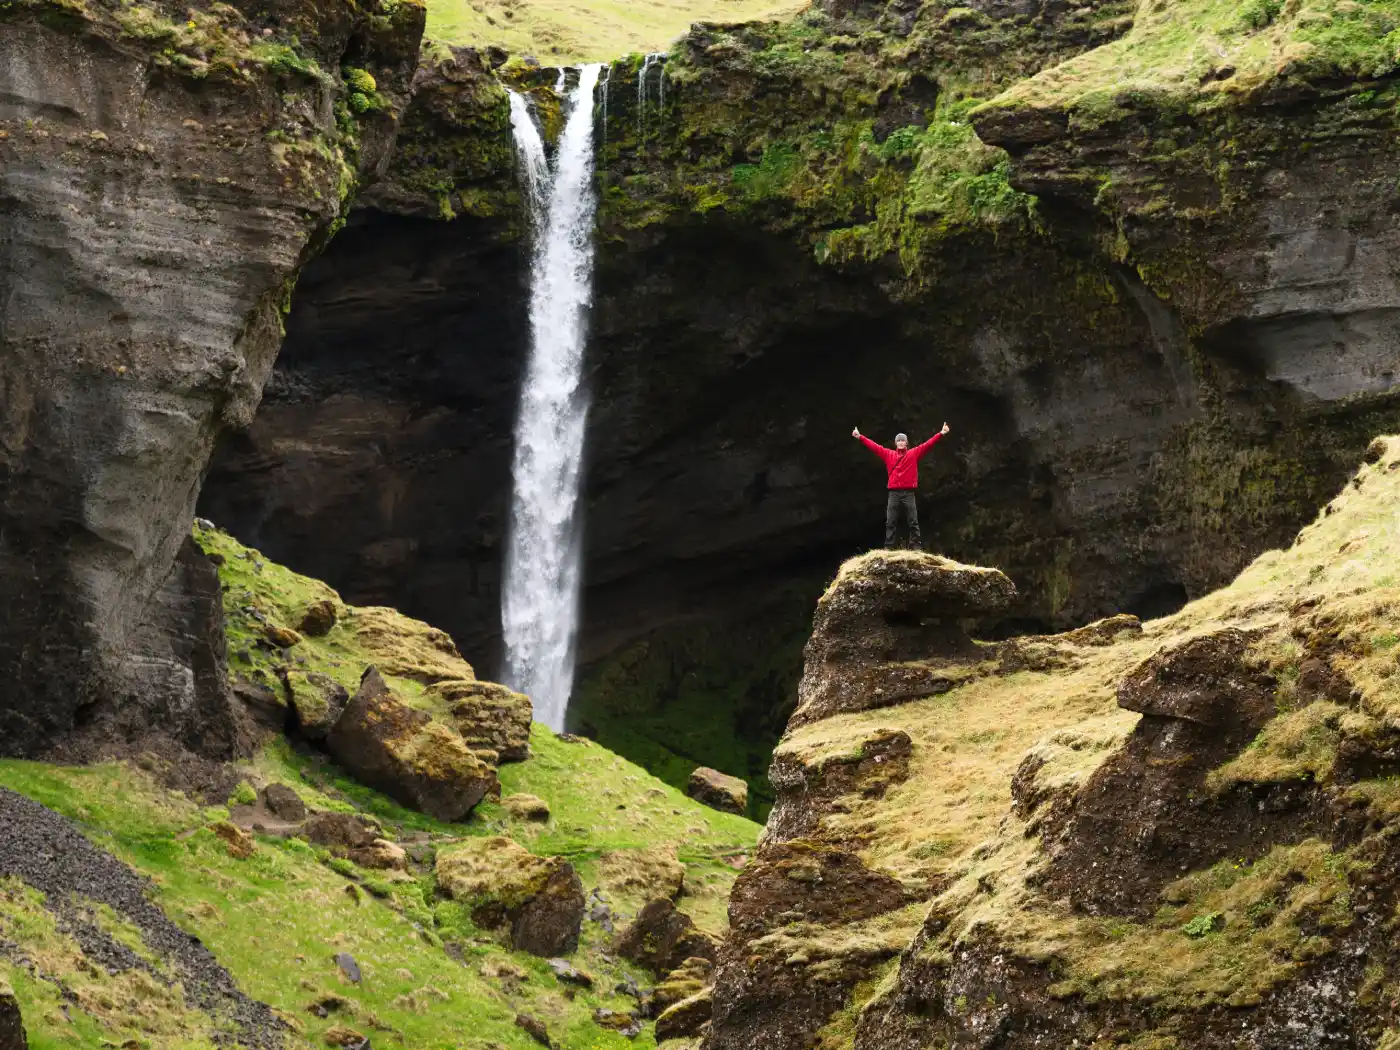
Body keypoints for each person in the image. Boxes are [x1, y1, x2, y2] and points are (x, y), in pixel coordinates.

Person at [853, 423, 950, 549]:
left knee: (913, 521)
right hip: (893, 493)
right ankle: (888, 548)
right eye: (898, 440)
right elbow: (874, 447)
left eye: (902, 440)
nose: (900, 442)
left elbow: (928, 444)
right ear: (895, 443)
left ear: (906, 443)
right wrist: (860, 436)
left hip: (908, 492)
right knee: (890, 521)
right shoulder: (889, 454)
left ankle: (916, 547)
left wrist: (941, 433)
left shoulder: (913, 453)